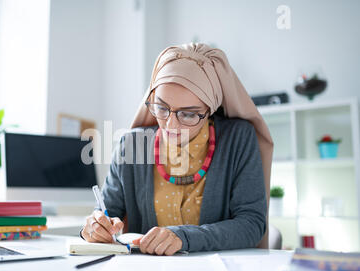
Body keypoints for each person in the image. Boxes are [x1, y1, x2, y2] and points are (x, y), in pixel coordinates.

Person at [80, 43, 273, 255]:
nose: (170, 125)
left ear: (210, 109)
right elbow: (108, 214)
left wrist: (184, 238)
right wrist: (96, 227)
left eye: (188, 114)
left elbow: (251, 225)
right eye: (161, 108)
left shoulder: (238, 138)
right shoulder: (132, 146)